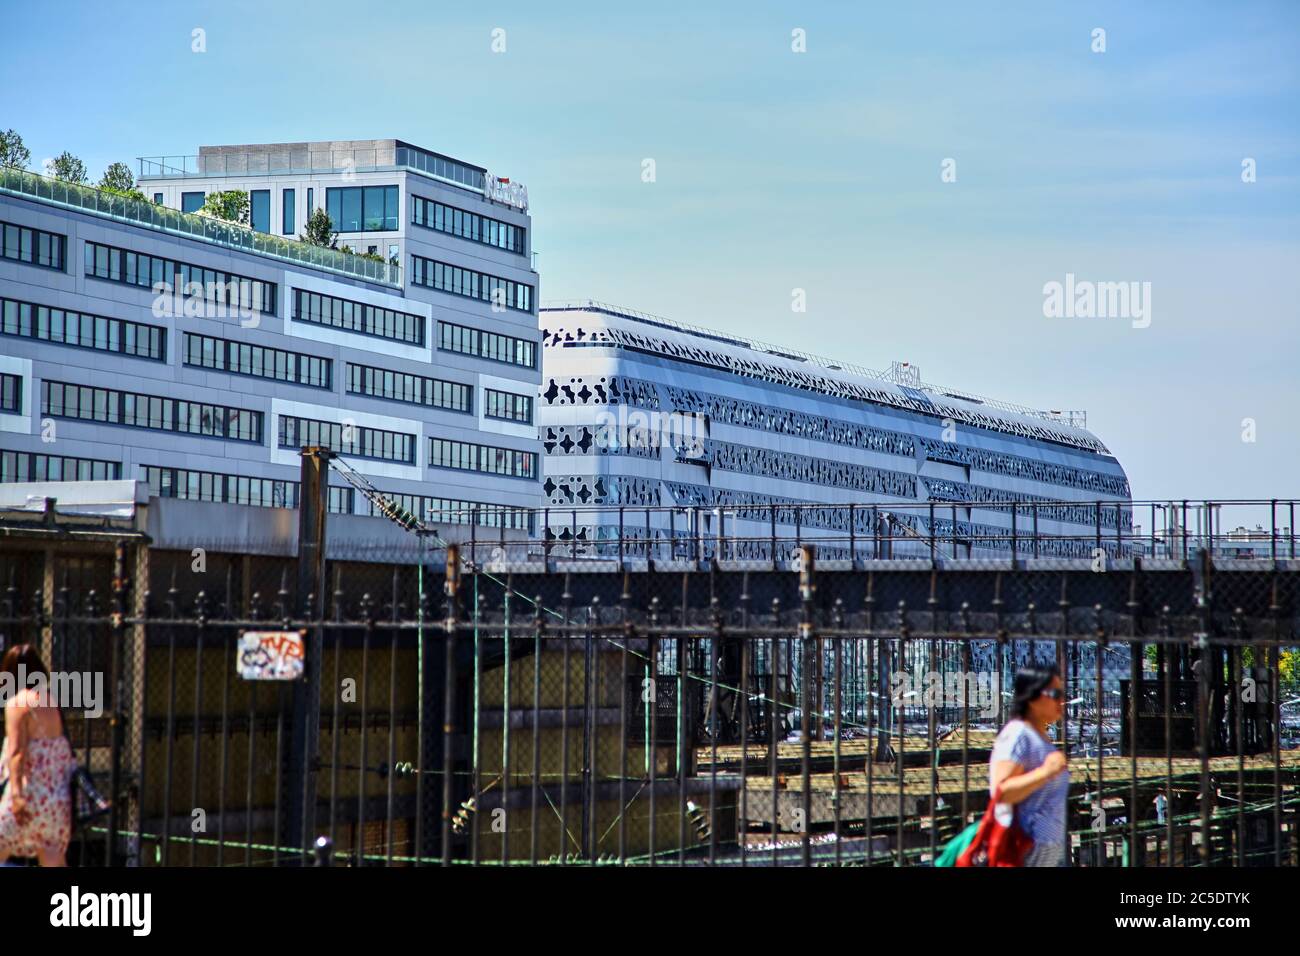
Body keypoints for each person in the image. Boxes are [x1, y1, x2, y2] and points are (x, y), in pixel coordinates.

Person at [989, 664, 1071, 866]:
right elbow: (1002, 791)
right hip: (1025, 846)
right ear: (1032, 696)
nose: (1062, 700)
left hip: (1045, 848)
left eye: (1062, 693)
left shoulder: (1038, 736)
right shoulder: (1017, 734)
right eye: (1054, 693)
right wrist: (1046, 772)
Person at [0, 644, 75, 866]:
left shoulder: (18, 704)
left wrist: (16, 795)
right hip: (56, 799)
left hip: (29, 795)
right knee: (51, 854)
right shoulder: (51, 702)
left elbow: (16, 753)